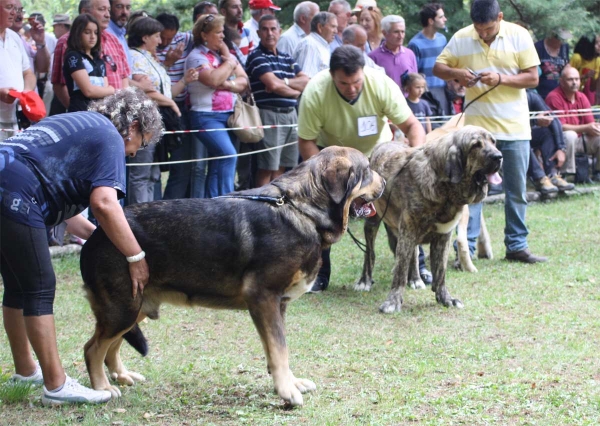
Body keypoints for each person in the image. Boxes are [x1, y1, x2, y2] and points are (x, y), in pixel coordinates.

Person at [0, 87, 163, 405]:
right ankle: (57, 385)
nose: (132, 153)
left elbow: (73, 218)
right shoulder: (110, 136)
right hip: (16, 193)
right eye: (139, 145)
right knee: (39, 287)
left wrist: (108, 245)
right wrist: (136, 256)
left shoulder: (81, 123)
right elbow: (104, 203)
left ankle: (26, 370)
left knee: (19, 286)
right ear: (132, 126)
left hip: (7, 180)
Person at [297, 45, 425, 292]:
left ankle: (417, 267)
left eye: (356, 82)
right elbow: (306, 141)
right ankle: (319, 274)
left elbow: (412, 127)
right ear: (332, 76)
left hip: (377, 156)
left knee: (401, 209)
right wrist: (326, 179)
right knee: (321, 213)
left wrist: (413, 160)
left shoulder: (381, 85)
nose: (352, 88)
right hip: (333, 159)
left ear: (363, 73)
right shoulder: (315, 91)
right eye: (344, 84)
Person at [433, 0, 546, 264]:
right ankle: (467, 250)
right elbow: (438, 68)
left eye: (488, 28)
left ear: (500, 17)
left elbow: (533, 78)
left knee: (516, 190)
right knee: (472, 192)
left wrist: (501, 78)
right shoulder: (462, 37)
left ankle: (517, 245)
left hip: (515, 128)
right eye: (478, 29)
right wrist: (458, 73)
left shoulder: (519, 35)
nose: (483, 34)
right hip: (477, 136)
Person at [128, 16, 195, 204]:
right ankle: (136, 219)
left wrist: (184, 82)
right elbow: (145, 91)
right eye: (156, 36)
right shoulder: (134, 57)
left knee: (153, 173)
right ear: (144, 37)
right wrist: (172, 104)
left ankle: (148, 215)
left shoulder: (152, 59)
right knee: (141, 173)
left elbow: (166, 92)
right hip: (143, 118)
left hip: (157, 120)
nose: (160, 41)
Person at [185, 14, 249, 198]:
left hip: (228, 115)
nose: (222, 37)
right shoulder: (196, 57)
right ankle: (227, 202)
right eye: (218, 32)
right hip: (205, 116)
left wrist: (228, 84)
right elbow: (213, 79)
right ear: (204, 35)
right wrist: (229, 62)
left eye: (223, 32)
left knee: (218, 164)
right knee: (228, 155)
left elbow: (243, 80)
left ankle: (214, 204)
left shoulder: (220, 55)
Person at [246, 15, 309, 186]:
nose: (269, 33)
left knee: (283, 166)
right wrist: (293, 91)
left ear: (279, 31)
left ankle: (275, 203)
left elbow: (306, 81)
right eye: (265, 29)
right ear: (258, 33)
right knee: (267, 166)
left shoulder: (286, 57)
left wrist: (284, 83)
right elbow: (273, 84)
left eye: (273, 29)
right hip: (269, 115)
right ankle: (259, 206)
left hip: (291, 116)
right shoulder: (256, 56)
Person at [52, 0, 131, 112]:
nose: (107, 15)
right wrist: (79, 110)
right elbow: (60, 84)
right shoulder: (66, 42)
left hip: (116, 114)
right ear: (85, 12)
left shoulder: (114, 40)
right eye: (101, 9)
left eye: (108, 10)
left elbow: (124, 78)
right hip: (85, 113)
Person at [156, 12, 197, 200]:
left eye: (170, 38)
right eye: (162, 37)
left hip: (182, 106)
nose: (165, 41)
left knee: (182, 163)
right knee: (155, 166)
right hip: (159, 106)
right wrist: (167, 62)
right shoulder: (150, 46)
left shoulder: (186, 39)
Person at [545, 66, 600, 182]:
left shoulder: (582, 97)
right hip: (558, 142)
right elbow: (560, 127)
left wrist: (595, 128)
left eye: (577, 79)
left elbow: (590, 123)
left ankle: (597, 172)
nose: (574, 82)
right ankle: (567, 174)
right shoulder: (553, 97)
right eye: (570, 79)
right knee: (570, 135)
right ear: (561, 81)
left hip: (580, 139)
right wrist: (587, 127)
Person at [63, 14, 114, 112]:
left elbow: (104, 90)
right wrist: (111, 90)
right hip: (81, 113)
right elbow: (88, 91)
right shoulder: (73, 57)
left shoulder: (100, 61)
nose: (92, 37)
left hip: (99, 113)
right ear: (78, 33)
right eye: (87, 32)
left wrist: (107, 91)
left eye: (95, 33)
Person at [526, 89, 575, 192]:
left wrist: (561, 148)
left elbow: (553, 119)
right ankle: (540, 178)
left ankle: (553, 175)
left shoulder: (530, 95)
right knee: (521, 140)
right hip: (505, 137)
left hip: (526, 134)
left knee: (546, 133)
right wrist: (534, 120)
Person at [0, 0, 36, 141]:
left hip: (16, 119)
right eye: (9, 8)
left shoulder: (15, 37)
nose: (14, 13)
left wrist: (26, 92)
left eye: (15, 8)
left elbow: (28, 73)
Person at [407, 3, 447, 105]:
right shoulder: (415, 44)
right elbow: (413, 74)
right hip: (425, 95)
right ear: (431, 21)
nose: (445, 19)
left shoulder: (442, 39)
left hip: (442, 91)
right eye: (441, 17)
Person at [368, 15, 417, 90]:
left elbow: (415, 82)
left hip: (407, 100)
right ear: (384, 33)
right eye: (396, 32)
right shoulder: (373, 57)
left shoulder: (409, 54)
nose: (400, 36)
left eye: (402, 32)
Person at [294, 12, 337, 78]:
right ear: (320, 27)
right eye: (333, 26)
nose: (335, 31)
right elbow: (306, 80)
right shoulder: (310, 45)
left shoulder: (321, 45)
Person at [534, 29, 571, 100]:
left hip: (561, 93)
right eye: (559, 39)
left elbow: (566, 65)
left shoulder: (565, 47)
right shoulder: (538, 47)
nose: (561, 42)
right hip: (542, 93)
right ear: (552, 37)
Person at [218, 0, 252, 65]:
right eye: (234, 7)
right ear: (223, 11)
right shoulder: (219, 35)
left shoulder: (246, 32)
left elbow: (252, 59)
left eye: (240, 6)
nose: (240, 11)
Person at [569, 35, 600, 106]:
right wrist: (585, 76)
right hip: (571, 94)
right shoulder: (577, 58)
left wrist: (594, 78)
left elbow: (592, 88)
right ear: (589, 45)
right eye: (596, 43)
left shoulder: (597, 61)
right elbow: (566, 80)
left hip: (586, 97)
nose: (599, 45)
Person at [106, 0, 132, 67]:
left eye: (128, 7)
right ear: (109, 8)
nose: (125, 12)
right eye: (119, 7)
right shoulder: (106, 34)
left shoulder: (121, 34)